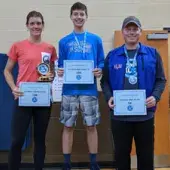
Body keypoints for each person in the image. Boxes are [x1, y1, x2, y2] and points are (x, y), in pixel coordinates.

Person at [100, 16, 166, 170]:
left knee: (146, 156)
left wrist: (155, 97)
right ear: (123, 32)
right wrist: (109, 97)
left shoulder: (152, 53)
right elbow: (105, 82)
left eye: (134, 29)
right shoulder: (113, 55)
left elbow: (161, 80)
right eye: (128, 29)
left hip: (145, 115)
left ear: (140, 31)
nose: (131, 32)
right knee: (121, 156)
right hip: (119, 116)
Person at [4, 11, 57, 170]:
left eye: (39, 23)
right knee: (17, 140)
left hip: (43, 99)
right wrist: (14, 88)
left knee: (40, 140)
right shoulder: (17, 46)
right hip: (23, 97)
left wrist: (52, 77)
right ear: (27, 25)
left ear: (43, 25)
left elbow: (51, 72)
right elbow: (7, 70)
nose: (36, 26)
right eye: (32, 23)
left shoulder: (49, 48)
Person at [57, 2, 104, 170]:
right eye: (75, 14)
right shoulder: (63, 41)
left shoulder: (96, 39)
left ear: (86, 17)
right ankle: (66, 164)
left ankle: (93, 163)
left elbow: (100, 62)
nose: (78, 17)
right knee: (68, 126)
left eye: (81, 14)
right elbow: (61, 65)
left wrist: (99, 70)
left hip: (89, 90)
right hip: (69, 90)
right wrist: (60, 71)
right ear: (71, 17)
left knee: (91, 126)